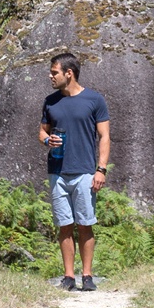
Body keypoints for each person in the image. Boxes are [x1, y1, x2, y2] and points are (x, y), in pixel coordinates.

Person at [39, 51, 111, 291]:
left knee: (85, 224)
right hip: (57, 172)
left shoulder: (94, 100)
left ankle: (87, 276)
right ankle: (69, 277)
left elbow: (104, 136)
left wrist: (100, 170)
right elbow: (42, 132)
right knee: (64, 225)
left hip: (84, 172)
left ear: (68, 74)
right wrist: (48, 141)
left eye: (54, 72)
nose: (50, 76)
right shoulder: (50, 101)